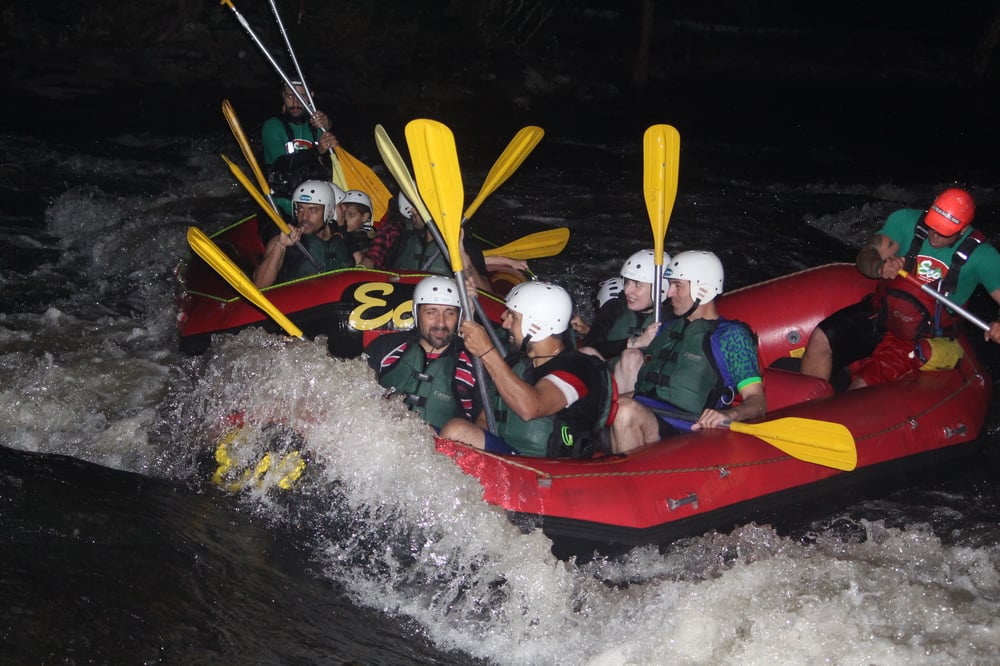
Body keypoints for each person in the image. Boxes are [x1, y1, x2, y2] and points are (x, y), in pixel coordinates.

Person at [800, 187, 1000, 390]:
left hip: (922, 334)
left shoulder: (983, 257)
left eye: (943, 233)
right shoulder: (905, 221)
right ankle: (807, 406)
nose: (933, 237)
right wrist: (880, 267)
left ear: (964, 230)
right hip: (882, 313)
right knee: (821, 338)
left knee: (862, 386)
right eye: (931, 227)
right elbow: (867, 254)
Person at [609, 251, 766, 454]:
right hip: (648, 413)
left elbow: (758, 402)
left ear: (704, 290)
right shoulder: (668, 329)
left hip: (686, 428)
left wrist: (730, 414)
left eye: (678, 286)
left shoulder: (732, 335)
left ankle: (632, 481)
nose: (669, 293)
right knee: (612, 407)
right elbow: (650, 389)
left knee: (625, 411)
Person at [439, 281, 616, 458]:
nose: (504, 321)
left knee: (456, 431)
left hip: (549, 470)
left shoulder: (580, 367)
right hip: (509, 460)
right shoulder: (516, 363)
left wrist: (486, 351)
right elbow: (485, 419)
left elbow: (531, 407)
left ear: (536, 326)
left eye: (512, 317)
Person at [363, 276, 481, 430]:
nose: (441, 323)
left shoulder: (474, 363)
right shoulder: (385, 347)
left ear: (459, 317)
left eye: (449, 313)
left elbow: (485, 428)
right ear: (416, 313)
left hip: (440, 450)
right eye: (431, 312)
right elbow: (355, 396)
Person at [358, 194, 494, 290]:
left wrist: (462, 256)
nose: (411, 210)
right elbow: (382, 273)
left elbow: (486, 292)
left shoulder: (466, 246)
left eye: (416, 206)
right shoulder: (403, 241)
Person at [253, 180, 353, 288]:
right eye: (300, 209)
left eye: (313, 210)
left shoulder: (339, 237)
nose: (304, 217)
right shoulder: (282, 239)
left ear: (328, 212)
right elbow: (260, 284)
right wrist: (281, 245)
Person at [261, 80, 339, 217]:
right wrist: (317, 150)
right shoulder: (272, 126)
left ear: (310, 96)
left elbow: (334, 163)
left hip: (317, 205)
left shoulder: (319, 126)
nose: (295, 103)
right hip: (283, 205)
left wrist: (329, 126)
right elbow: (282, 164)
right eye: (290, 96)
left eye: (301, 96)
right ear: (283, 96)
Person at [578, 249, 671, 362]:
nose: (627, 290)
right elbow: (591, 346)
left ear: (661, 288)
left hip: (644, 375)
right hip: (611, 374)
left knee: (632, 357)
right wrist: (638, 341)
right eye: (627, 282)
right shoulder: (614, 307)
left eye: (637, 285)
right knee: (586, 352)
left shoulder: (673, 316)